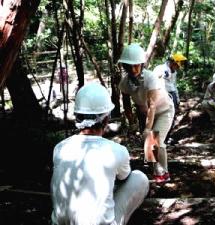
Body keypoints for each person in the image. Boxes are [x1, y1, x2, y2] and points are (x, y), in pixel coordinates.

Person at [51, 82, 149, 225]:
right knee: (140, 178)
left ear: (77, 116)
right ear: (106, 119)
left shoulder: (59, 147)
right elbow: (124, 179)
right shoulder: (116, 151)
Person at [118, 43, 175, 183]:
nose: (133, 69)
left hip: (163, 111)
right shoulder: (125, 82)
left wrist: (148, 128)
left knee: (155, 140)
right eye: (129, 66)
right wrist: (131, 121)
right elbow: (126, 102)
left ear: (142, 64)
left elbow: (152, 105)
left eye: (136, 65)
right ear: (124, 66)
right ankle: (156, 171)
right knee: (148, 143)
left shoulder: (150, 78)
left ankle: (164, 173)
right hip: (145, 112)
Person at [153, 53, 187, 144]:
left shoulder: (174, 72)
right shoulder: (161, 69)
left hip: (172, 95)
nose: (178, 66)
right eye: (178, 64)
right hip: (162, 95)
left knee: (171, 117)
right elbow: (156, 82)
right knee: (160, 117)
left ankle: (166, 138)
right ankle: (156, 139)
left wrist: (178, 99)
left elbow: (174, 85)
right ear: (172, 62)